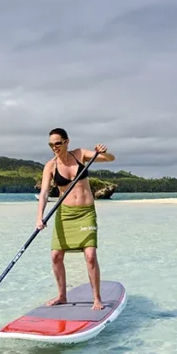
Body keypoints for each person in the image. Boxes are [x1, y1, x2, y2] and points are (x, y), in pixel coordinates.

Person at [35, 128, 115, 309]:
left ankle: (97, 298)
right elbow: (44, 193)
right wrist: (39, 217)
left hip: (86, 213)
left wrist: (103, 152)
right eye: (50, 145)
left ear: (66, 142)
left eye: (57, 143)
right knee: (56, 256)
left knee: (90, 256)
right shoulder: (50, 166)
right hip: (65, 214)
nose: (54, 147)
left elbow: (111, 159)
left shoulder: (80, 154)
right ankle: (62, 296)